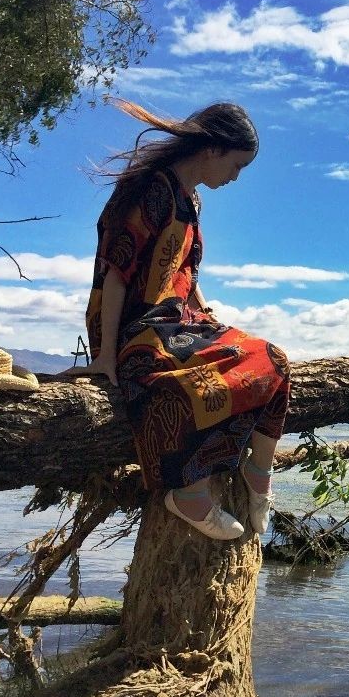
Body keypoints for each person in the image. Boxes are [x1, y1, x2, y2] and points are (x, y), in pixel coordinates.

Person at [64, 99, 290, 541]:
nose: (235, 178)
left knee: (274, 361)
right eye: (237, 166)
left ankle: (259, 473)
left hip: (178, 324)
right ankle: (187, 490)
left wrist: (208, 314)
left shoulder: (192, 199)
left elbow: (186, 271)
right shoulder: (151, 189)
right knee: (178, 392)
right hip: (137, 329)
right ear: (213, 149)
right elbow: (116, 272)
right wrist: (105, 357)